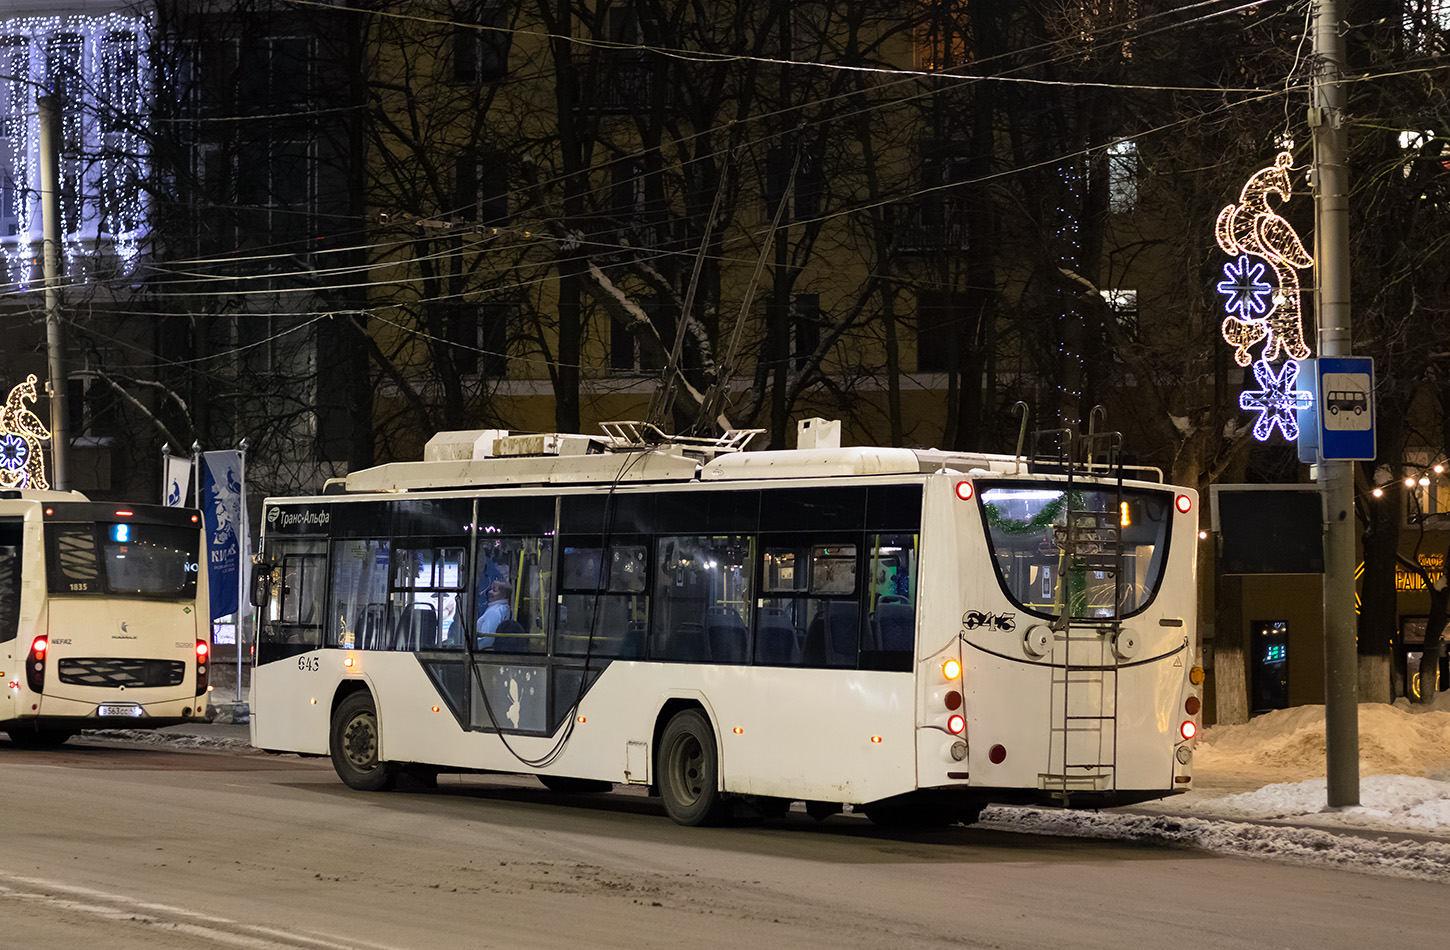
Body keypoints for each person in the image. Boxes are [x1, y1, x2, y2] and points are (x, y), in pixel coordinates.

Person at [476, 578, 512, 648]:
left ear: (504, 595)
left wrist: (474, 647)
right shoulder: (503, 608)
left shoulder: (494, 612)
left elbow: (487, 638)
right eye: (491, 589)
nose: (490, 592)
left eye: (494, 590)